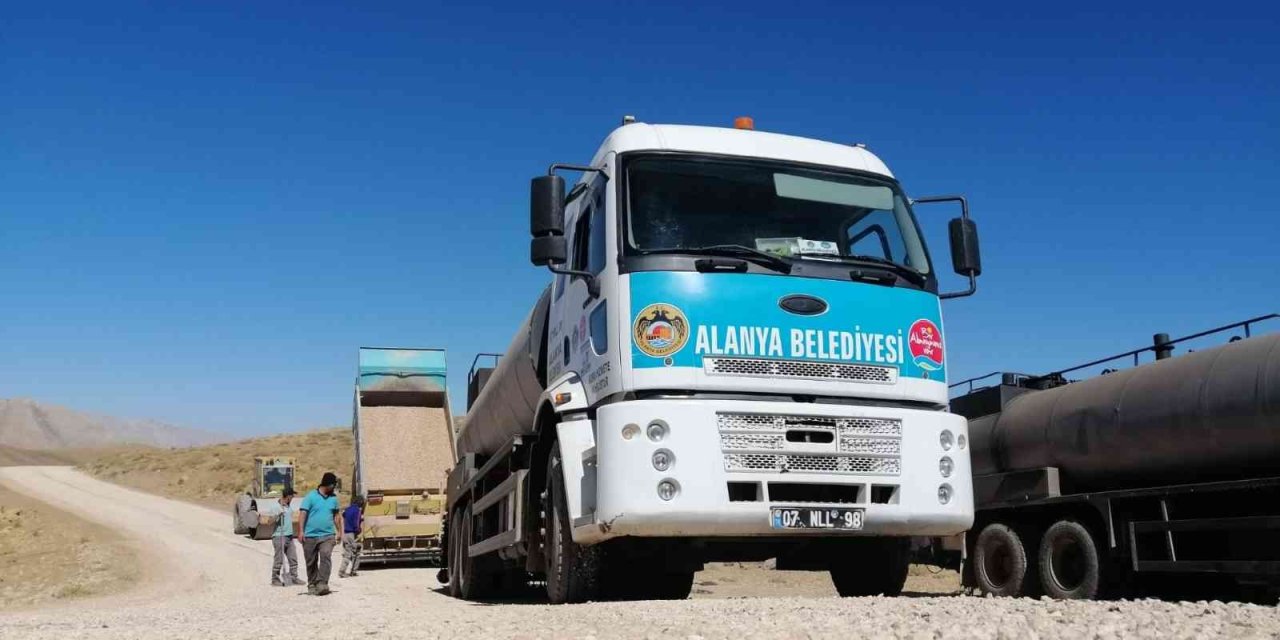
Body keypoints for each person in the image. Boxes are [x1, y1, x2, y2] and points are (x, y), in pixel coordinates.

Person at [297, 472, 342, 596]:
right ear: (329, 484)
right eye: (334, 485)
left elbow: (337, 516)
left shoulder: (333, 499)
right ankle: (312, 584)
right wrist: (301, 531)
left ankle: (322, 583)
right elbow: (303, 514)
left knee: (325, 554)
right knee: (311, 561)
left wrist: (340, 532)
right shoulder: (310, 497)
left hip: (327, 535)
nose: (334, 488)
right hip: (310, 535)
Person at [266, 487, 305, 586]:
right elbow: (269, 522)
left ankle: (294, 577)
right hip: (279, 536)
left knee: (293, 558)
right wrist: (278, 515)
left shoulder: (288, 506)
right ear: (288, 496)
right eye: (292, 496)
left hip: (289, 536)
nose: (293, 497)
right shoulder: (275, 507)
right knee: (279, 559)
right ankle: (275, 579)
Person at [338, 496, 364, 578]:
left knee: (348, 552)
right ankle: (348, 572)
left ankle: (347, 571)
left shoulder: (347, 509)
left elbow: (343, 516)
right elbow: (356, 523)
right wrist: (359, 530)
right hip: (352, 534)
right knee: (355, 553)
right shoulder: (357, 511)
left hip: (345, 534)